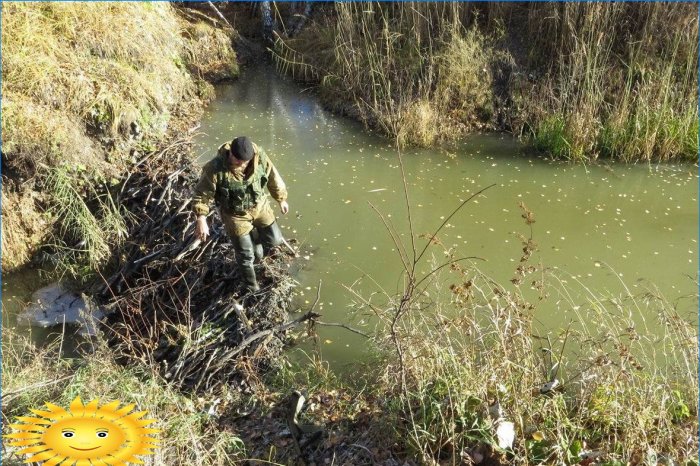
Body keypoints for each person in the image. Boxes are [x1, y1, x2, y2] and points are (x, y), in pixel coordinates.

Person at [192, 136, 289, 293]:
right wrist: (201, 218)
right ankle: (252, 288)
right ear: (231, 154)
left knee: (275, 240)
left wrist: (281, 199)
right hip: (235, 215)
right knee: (246, 256)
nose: (243, 165)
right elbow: (202, 194)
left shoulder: (259, 157)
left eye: (246, 162)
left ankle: (256, 249)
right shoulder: (214, 168)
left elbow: (273, 177)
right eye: (238, 162)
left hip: (260, 206)